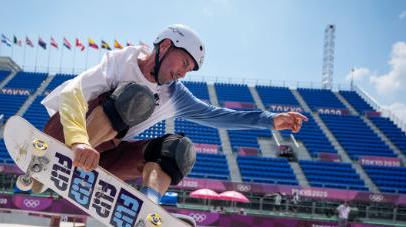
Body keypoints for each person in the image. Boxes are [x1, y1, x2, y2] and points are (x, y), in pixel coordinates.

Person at [38, 24, 308, 214]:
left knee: (177, 149)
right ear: (165, 46)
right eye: (183, 64)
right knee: (136, 98)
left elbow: (216, 116)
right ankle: (56, 162)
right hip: (65, 135)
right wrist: (78, 143)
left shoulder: (175, 95)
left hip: (103, 157)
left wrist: (268, 120)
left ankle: (146, 209)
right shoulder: (123, 61)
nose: (183, 74)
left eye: (189, 70)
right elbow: (73, 94)